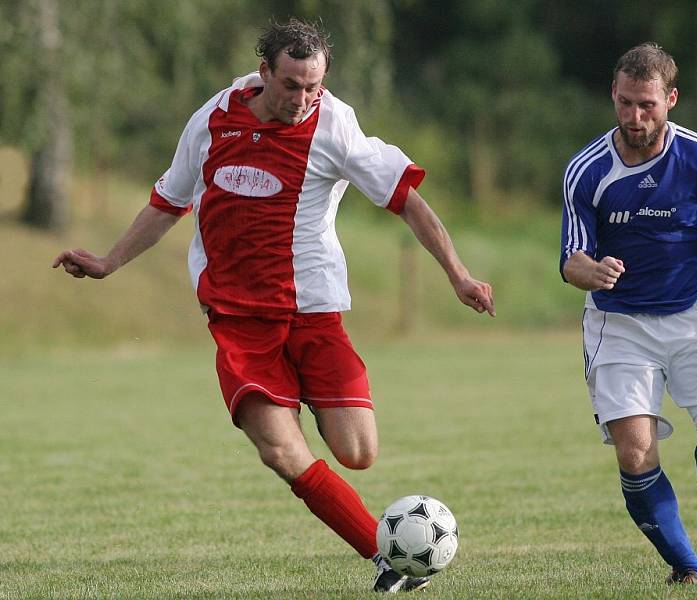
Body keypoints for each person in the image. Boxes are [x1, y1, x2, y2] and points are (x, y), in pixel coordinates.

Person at [53, 18, 494, 594]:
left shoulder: (335, 127)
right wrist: (109, 262)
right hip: (238, 321)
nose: (303, 99)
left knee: (357, 452)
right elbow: (168, 201)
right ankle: (384, 559)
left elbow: (406, 199)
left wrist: (458, 274)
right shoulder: (213, 120)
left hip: (313, 312)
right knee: (281, 452)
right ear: (264, 73)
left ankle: (311, 398)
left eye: (314, 86)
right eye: (291, 85)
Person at [560, 42, 697, 585]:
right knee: (635, 452)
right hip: (617, 322)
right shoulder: (587, 169)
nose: (635, 117)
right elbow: (570, 259)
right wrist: (591, 271)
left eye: (647, 104)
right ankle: (686, 568)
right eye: (626, 103)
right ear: (613, 96)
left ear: (671, 98)